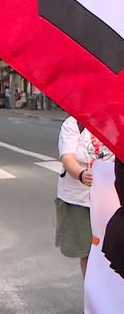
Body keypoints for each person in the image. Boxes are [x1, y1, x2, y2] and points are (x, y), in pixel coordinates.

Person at [55, 116, 113, 279]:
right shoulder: (73, 124)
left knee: (112, 250)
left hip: (110, 199)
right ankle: (92, 295)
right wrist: (80, 174)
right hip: (79, 199)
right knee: (88, 251)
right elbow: (67, 158)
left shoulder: (115, 120)